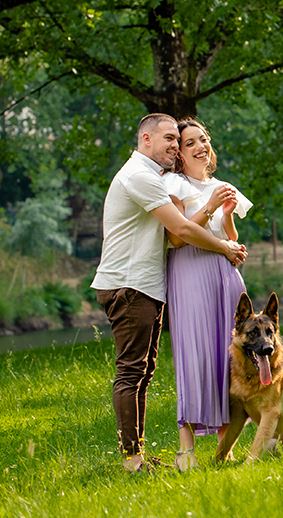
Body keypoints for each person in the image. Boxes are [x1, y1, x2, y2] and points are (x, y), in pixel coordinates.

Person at [91, 113, 246, 474]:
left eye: (178, 141)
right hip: (128, 285)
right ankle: (132, 461)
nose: (175, 147)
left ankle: (138, 455)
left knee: (142, 372)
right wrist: (224, 249)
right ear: (146, 139)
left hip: (143, 284)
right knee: (132, 372)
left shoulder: (152, 176)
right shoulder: (140, 176)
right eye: (168, 139)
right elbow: (179, 230)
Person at [163, 118, 253, 472]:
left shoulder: (220, 186)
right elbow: (177, 237)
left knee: (227, 359)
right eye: (190, 143)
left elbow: (229, 237)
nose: (201, 146)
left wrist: (228, 217)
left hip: (225, 277)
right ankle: (186, 451)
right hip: (191, 273)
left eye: (203, 139)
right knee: (196, 355)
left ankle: (225, 446)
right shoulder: (172, 183)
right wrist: (212, 205)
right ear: (180, 154)